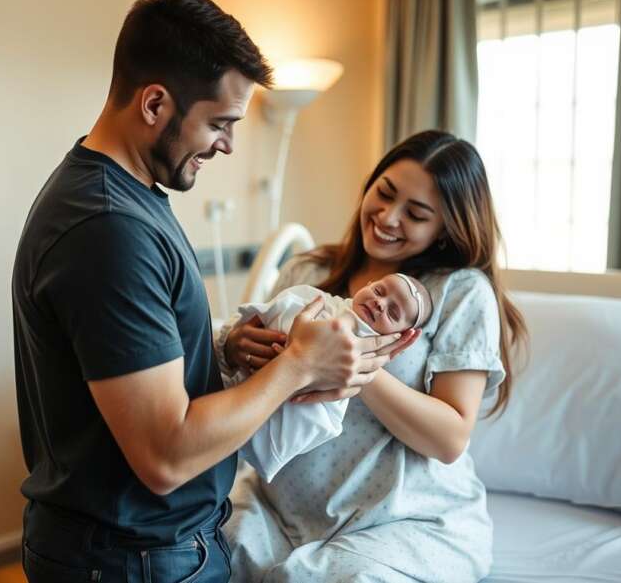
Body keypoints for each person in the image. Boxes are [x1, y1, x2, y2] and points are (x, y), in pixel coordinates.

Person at [10, 0, 409, 582]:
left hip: (137, 547)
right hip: (132, 560)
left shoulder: (129, 196)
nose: (226, 145)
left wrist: (222, 348)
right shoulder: (108, 227)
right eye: (220, 123)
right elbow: (166, 456)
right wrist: (299, 364)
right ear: (154, 103)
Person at [218, 129, 527, 583]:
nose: (388, 217)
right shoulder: (306, 272)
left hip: (403, 521)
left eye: (417, 214)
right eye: (384, 193)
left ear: (446, 228)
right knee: (198, 556)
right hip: (276, 509)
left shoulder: (459, 292)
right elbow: (262, 383)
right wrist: (236, 348)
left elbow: (450, 438)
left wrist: (353, 364)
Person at [222, 274, 434, 482]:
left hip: (288, 415)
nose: (380, 303)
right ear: (369, 283)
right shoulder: (318, 300)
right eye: (378, 291)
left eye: (393, 313)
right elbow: (259, 317)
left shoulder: (368, 359)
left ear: (400, 335)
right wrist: (228, 342)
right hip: (238, 382)